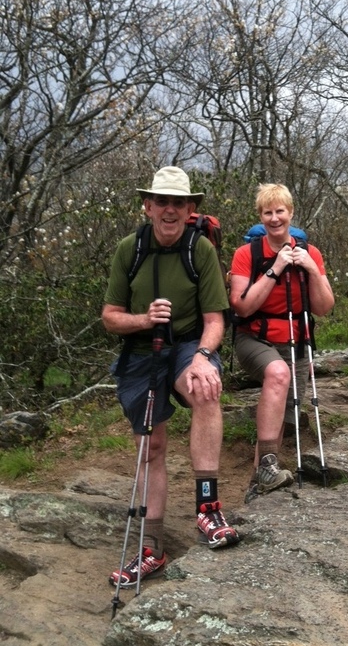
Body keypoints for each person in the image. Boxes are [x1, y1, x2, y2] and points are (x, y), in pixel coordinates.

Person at [103, 166, 239, 589]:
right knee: (152, 444)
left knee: (206, 390)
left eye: (178, 203)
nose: (170, 210)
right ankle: (152, 547)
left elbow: (215, 320)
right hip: (142, 350)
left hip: (185, 345)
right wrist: (144, 319)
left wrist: (202, 357)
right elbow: (109, 317)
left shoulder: (199, 251)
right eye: (162, 201)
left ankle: (207, 507)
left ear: (189, 209)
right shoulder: (131, 249)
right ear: (148, 205)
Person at [229, 183, 335, 502]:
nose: (275, 218)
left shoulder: (311, 253)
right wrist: (275, 269)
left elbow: (324, 307)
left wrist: (311, 270)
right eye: (267, 212)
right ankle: (265, 469)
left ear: (290, 213)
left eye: (280, 211)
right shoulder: (247, 255)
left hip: (297, 343)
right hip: (254, 340)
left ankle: (257, 481)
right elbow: (242, 306)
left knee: (284, 417)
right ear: (260, 217)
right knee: (277, 375)